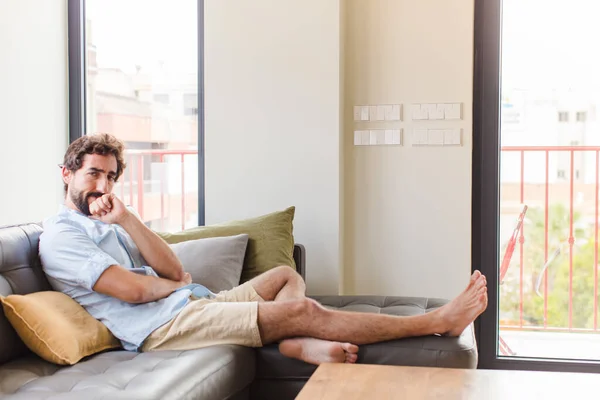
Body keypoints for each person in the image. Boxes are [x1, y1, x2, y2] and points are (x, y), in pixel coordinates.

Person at [39, 133, 488, 366]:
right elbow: (133, 292)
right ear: (67, 174)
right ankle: (435, 322)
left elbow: (170, 265)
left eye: (111, 176)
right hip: (159, 330)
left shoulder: (109, 221)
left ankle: (296, 345)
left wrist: (128, 220)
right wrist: (174, 284)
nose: (103, 185)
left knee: (284, 276)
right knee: (305, 307)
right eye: (93, 174)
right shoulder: (62, 236)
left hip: (187, 304)